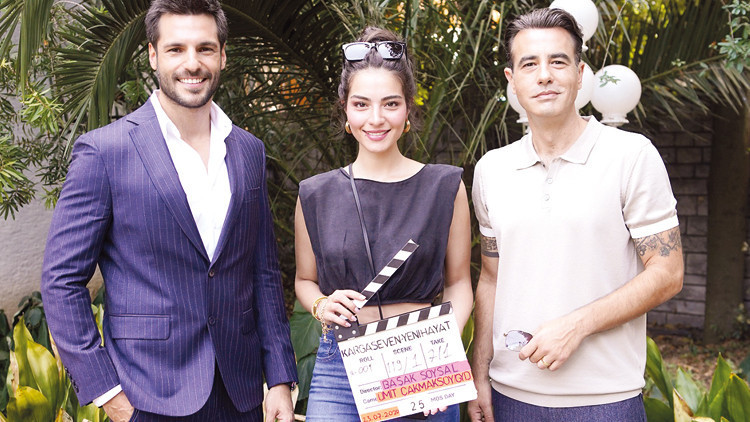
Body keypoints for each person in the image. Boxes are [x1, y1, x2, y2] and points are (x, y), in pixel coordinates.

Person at [40, 1, 297, 420]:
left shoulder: (249, 150)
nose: (192, 63)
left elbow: (263, 272)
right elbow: (61, 281)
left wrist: (281, 379)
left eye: (205, 48)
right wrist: (109, 394)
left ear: (223, 55)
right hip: (148, 396)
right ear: (153, 55)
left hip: (241, 394)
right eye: (176, 49)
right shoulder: (105, 152)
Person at [468, 8, 684, 422]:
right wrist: (480, 374)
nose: (544, 75)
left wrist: (577, 324)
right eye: (529, 64)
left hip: (605, 401)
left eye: (558, 61)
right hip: (511, 398)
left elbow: (668, 272)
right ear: (512, 80)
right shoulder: (491, 170)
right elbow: (491, 278)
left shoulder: (631, 156)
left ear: (580, 73)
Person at [294, 27, 474, 421]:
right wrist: (321, 305)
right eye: (361, 104)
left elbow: (459, 283)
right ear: (345, 110)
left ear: (408, 109)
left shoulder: (444, 187)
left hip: (421, 356)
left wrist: (440, 353)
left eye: (390, 104)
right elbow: (304, 280)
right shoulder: (315, 194)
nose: (375, 119)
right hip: (341, 365)